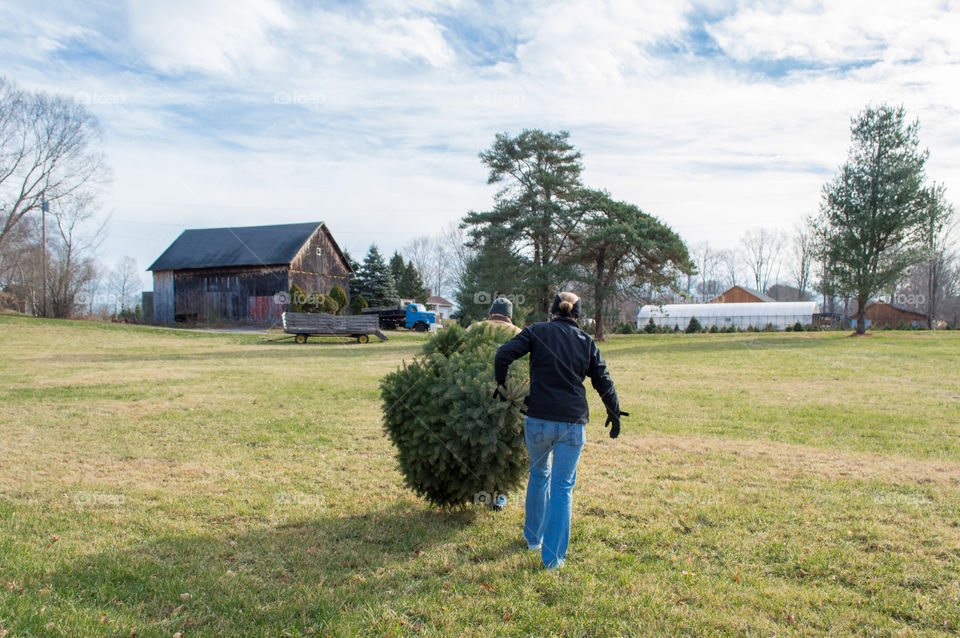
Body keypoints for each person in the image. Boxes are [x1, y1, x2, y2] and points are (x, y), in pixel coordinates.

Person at [494, 291, 627, 569]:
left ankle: (533, 539)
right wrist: (614, 413)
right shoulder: (586, 341)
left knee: (539, 475)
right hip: (572, 423)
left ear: (552, 312)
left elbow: (503, 354)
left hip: (538, 419)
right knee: (562, 488)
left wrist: (503, 386)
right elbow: (603, 381)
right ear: (577, 316)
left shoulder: (537, 331)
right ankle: (553, 560)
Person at [468, 297, 521, 511]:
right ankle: (499, 495)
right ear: (509, 317)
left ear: (491, 314)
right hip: (509, 394)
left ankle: (475, 489)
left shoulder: (474, 328)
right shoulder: (519, 332)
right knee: (505, 444)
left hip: (474, 391)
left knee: (477, 441)